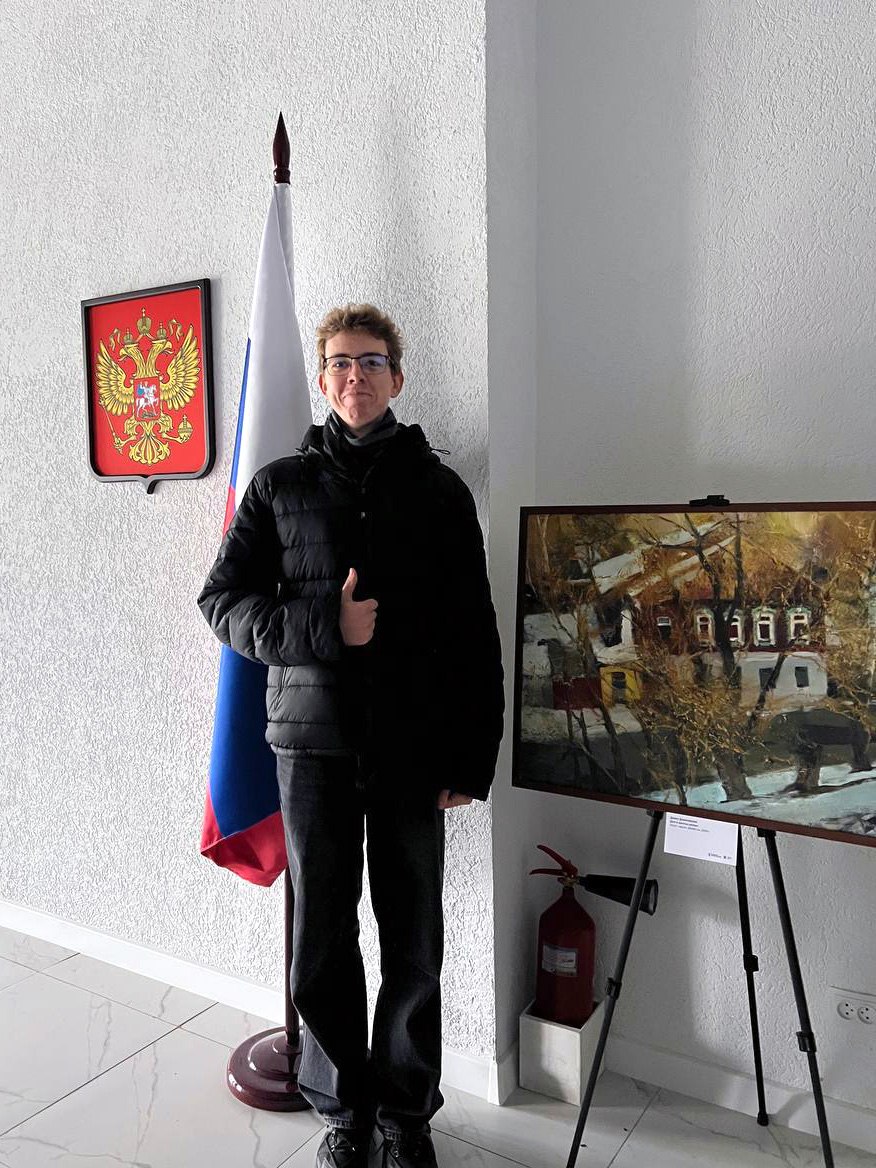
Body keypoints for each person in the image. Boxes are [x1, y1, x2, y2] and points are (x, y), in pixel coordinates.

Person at [198, 304, 504, 1168]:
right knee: (323, 938)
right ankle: (343, 1113)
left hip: (414, 748)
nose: (354, 376)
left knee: (414, 940)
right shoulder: (277, 487)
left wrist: (471, 759)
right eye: (339, 362)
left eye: (371, 362)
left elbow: (475, 635)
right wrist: (325, 626)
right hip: (311, 750)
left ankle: (405, 1118)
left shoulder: (441, 493)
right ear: (322, 378)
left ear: (396, 378)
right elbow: (222, 603)